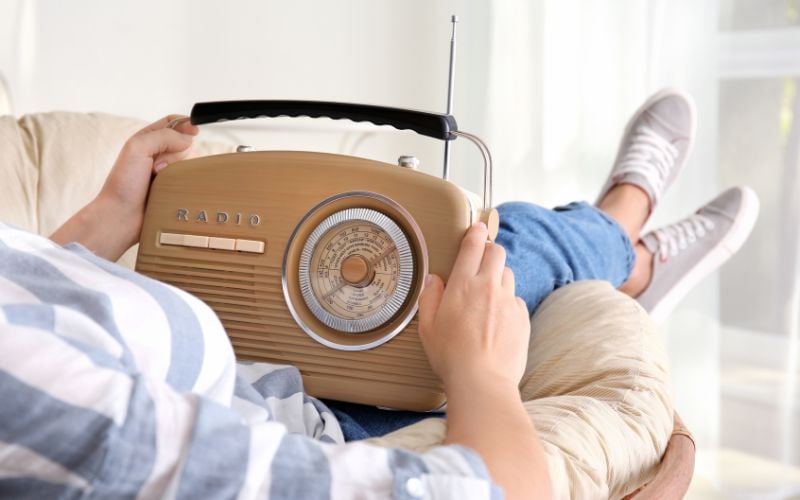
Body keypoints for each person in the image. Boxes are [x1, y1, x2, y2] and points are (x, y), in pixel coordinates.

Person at [0, 89, 757, 499]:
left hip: (236, 366)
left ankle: (620, 237)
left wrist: (101, 226)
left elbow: (39, 303)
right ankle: (629, 243)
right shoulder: (63, 424)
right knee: (488, 254)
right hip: (309, 417)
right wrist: (479, 377)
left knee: (476, 245)